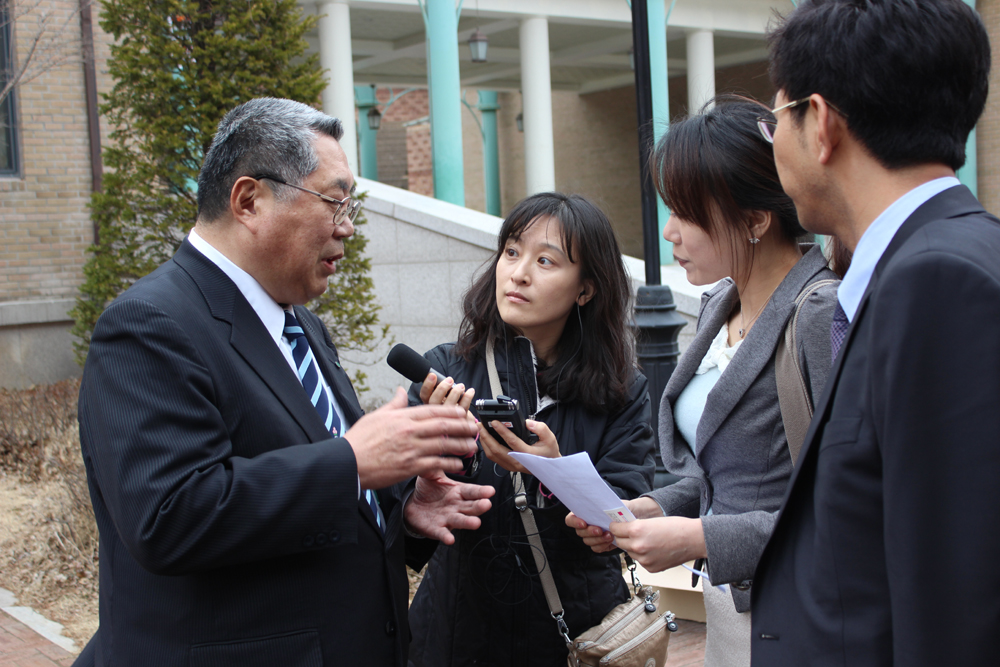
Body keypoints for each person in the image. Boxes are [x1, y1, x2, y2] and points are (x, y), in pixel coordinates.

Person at [75, 98, 494, 667]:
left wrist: (406, 509)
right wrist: (352, 462)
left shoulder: (301, 326)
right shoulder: (150, 324)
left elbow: (320, 502)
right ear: (250, 200)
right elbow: (168, 516)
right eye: (335, 202)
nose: (347, 228)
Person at [746, 1, 1000, 665]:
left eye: (776, 119)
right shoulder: (952, 258)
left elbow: (953, 600)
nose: (772, 141)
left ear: (821, 124)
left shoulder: (937, 283)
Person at [566, 95, 841, 667]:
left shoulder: (817, 315)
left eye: (687, 213)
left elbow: (840, 506)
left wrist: (697, 539)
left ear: (756, 220)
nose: (669, 232)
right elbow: (729, 477)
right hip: (731, 608)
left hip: (796, 613)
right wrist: (652, 508)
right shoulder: (722, 302)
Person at [404, 193, 656, 667]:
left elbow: (621, 521)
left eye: (545, 261)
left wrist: (555, 473)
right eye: (512, 252)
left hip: (575, 636)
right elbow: (404, 515)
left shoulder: (622, 391)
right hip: (459, 635)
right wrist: (428, 467)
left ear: (585, 289)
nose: (518, 273)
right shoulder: (445, 372)